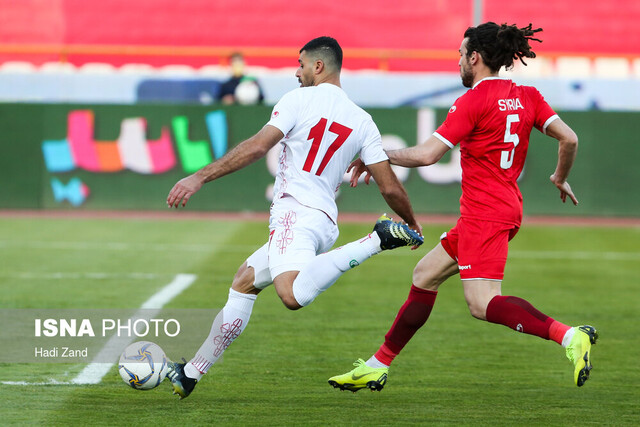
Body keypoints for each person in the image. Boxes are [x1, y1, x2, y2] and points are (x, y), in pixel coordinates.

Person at [328, 22, 597, 392]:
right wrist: (559, 176)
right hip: (501, 209)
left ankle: (569, 336)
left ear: (475, 57)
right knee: (425, 274)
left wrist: (376, 155)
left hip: (485, 214)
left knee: (482, 303)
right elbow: (570, 138)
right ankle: (377, 365)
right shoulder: (528, 96)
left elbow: (426, 155)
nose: (458, 61)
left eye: (460, 54)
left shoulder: (473, 100)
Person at [165, 36, 424, 399]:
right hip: (323, 222)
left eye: (301, 64)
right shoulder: (363, 120)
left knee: (292, 294)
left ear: (318, 66)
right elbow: (389, 185)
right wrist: (411, 219)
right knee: (244, 281)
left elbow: (257, 146)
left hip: (294, 213)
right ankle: (191, 373)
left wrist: (199, 176)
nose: (296, 71)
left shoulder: (298, 100)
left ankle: (375, 239)